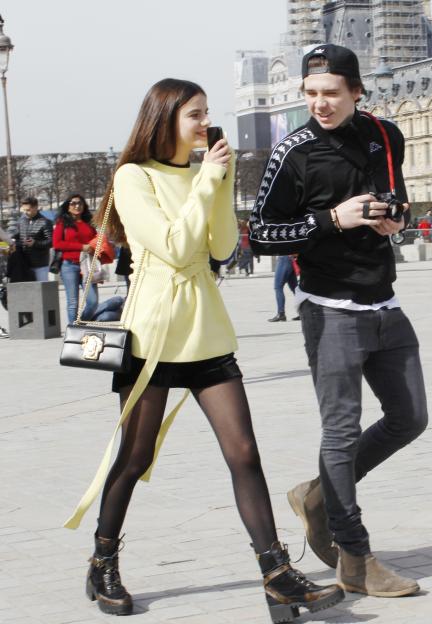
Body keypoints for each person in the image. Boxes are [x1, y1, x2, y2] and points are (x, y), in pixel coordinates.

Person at [62, 78, 343, 622]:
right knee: (135, 458)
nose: (205, 124)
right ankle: (103, 561)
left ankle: (277, 574)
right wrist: (209, 178)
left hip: (207, 332)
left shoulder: (204, 173)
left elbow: (220, 247)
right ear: (165, 118)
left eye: (207, 113)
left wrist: (221, 181)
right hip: (153, 335)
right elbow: (174, 247)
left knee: (244, 454)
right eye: (195, 114)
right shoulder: (133, 176)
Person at [249, 43, 427, 597]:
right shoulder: (292, 151)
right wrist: (331, 219)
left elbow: (398, 199)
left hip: (384, 302)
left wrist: (396, 219)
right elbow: (260, 234)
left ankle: (317, 495)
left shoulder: (385, 135)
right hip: (329, 309)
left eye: (330, 93)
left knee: (410, 418)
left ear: (356, 91)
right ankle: (355, 558)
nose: (319, 104)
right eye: (310, 93)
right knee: (342, 432)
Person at [53, 194, 98, 325]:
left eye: (80, 203)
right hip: (69, 266)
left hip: (87, 265)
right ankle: (73, 331)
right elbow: (57, 244)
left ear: (84, 206)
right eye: (73, 203)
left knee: (93, 301)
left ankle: (79, 325)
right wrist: (81, 247)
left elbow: (95, 241)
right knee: (73, 303)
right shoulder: (62, 223)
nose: (77, 206)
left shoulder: (89, 223)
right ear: (68, 206)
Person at [17, 197, 53, 282]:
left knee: (42, 288)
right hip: (24, 262)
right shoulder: (22, 220)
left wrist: (35, 243)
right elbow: (18, 235)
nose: (25, 212)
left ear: (36, 207)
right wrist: (12, 240)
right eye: (24, 210)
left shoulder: (45, 222)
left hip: (40, 264)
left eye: (28, 210)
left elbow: (51, 241)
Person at [269, 254, 298, 322]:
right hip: (291, 258)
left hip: (284, 257)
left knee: (278, 287)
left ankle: (281, 313)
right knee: (295, 288)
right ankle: (304, 311)